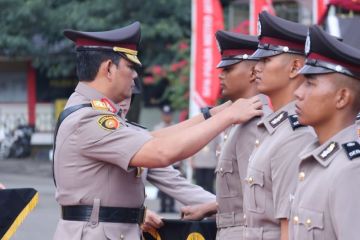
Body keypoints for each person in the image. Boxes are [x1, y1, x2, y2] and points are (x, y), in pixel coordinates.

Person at [53, 22, 263, 240]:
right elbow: (160, 151)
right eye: (130, 67)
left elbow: (150, 139)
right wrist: (228, 117)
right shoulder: (89, 119)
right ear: (108, 68)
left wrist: (212, 115)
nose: (135, 76)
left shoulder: (98, 114)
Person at [182, 30, 272, 239]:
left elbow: (258, 201)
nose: (220, 74)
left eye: (229, 69)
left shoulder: (254, 121)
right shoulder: (239, 119)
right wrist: (210, 207)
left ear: (252, 73)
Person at [241, 11, 316, 240]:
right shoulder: (275, 128)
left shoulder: (296, 134)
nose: (256, 68)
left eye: (266, 60)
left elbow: (288, 227)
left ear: (295, 67)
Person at [289, 25, 360, 240]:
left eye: (310, 84)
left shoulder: (351, 170)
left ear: (342, 97)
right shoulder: (314, 159)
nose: (297, 93)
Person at [118, 98, 216, 233]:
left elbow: (179, 185)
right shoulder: (89, 122)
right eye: (121, 97)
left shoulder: (137, 134)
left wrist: (221, 206)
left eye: (129, 98)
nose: (124, 103)